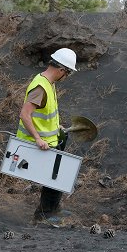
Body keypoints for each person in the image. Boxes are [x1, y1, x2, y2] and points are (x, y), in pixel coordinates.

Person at [16, 47, 77, 220]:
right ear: (61, 70)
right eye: (68, 73)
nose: (67, 77)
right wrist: (37, 139)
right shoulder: (40, 87)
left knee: (58, 175)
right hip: (38, 143)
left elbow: (45, 114)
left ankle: (52, 209)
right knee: (54, 177)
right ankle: (44, 214)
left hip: (50, 139)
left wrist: (57, 127)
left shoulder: (49, 83)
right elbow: (25, 114)